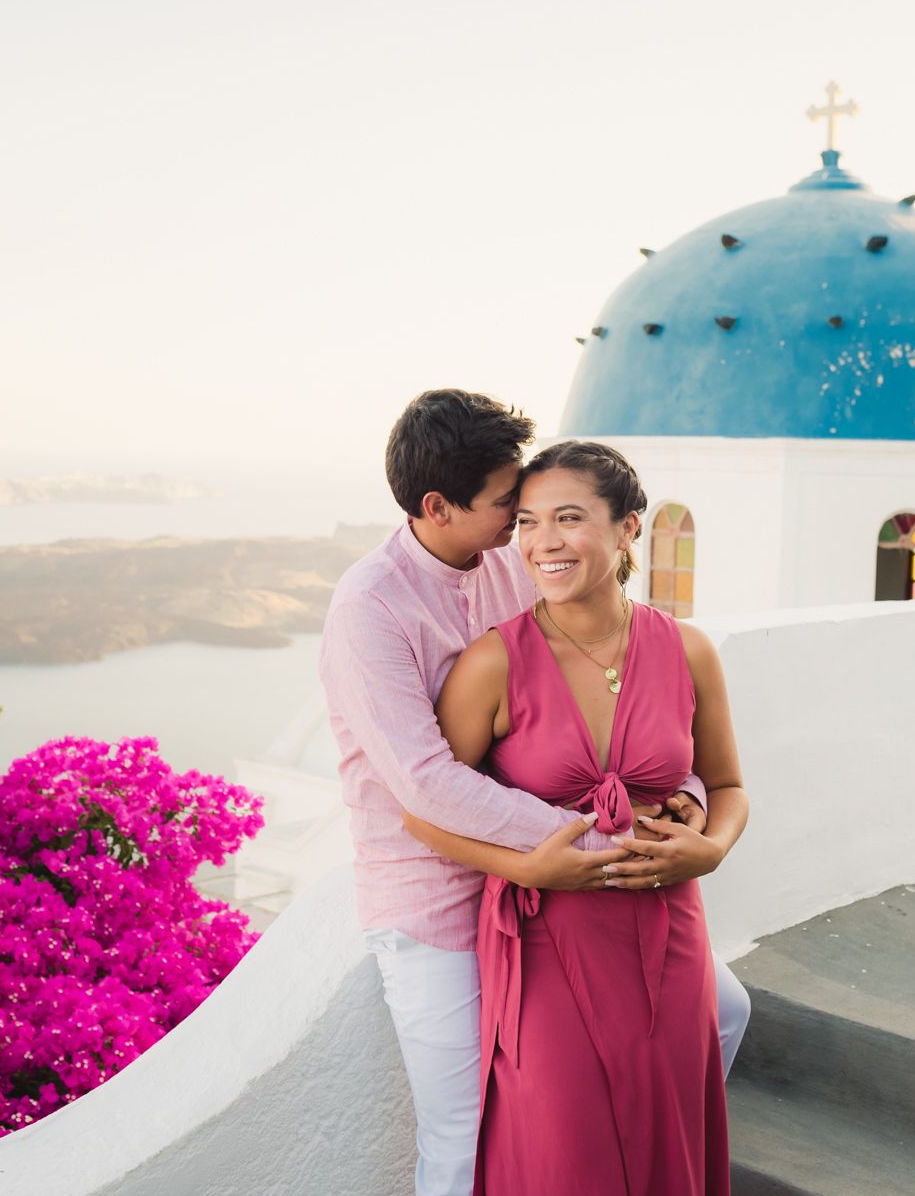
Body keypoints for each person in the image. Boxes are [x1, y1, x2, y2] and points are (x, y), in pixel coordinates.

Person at [319, 392, 749, 1196]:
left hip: (563, 887)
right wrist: (598, 838)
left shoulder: (503, 570)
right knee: (463, 1134)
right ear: (439, 507)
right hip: (436, 898)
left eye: (544, 511)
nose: (530, 530)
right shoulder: (370, 607)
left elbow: (608, 696)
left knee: (724, 1015)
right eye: (511, 509)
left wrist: (684, 794)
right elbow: (427, 785)